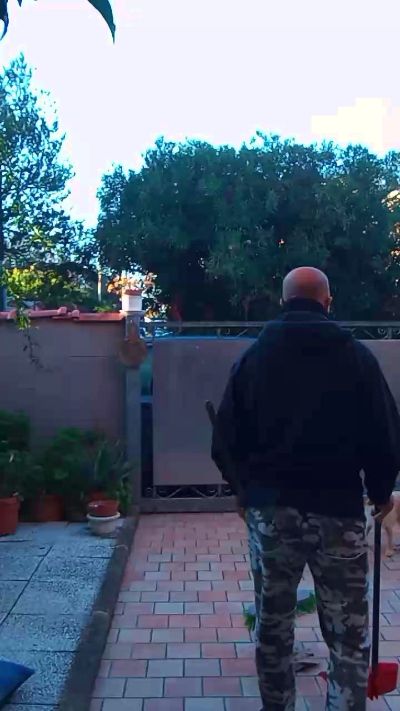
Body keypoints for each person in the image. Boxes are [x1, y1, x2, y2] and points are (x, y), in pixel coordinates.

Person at [211, 267, 400, 711]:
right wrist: (380, 492)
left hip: (271, 513)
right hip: (339, 511)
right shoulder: (356, 357)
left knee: (273, 629)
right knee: (348, 636)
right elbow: (384, 434)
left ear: (283, 302)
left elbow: (225, 440)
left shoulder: (254, 358)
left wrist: (243, 491)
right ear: (328, 302)